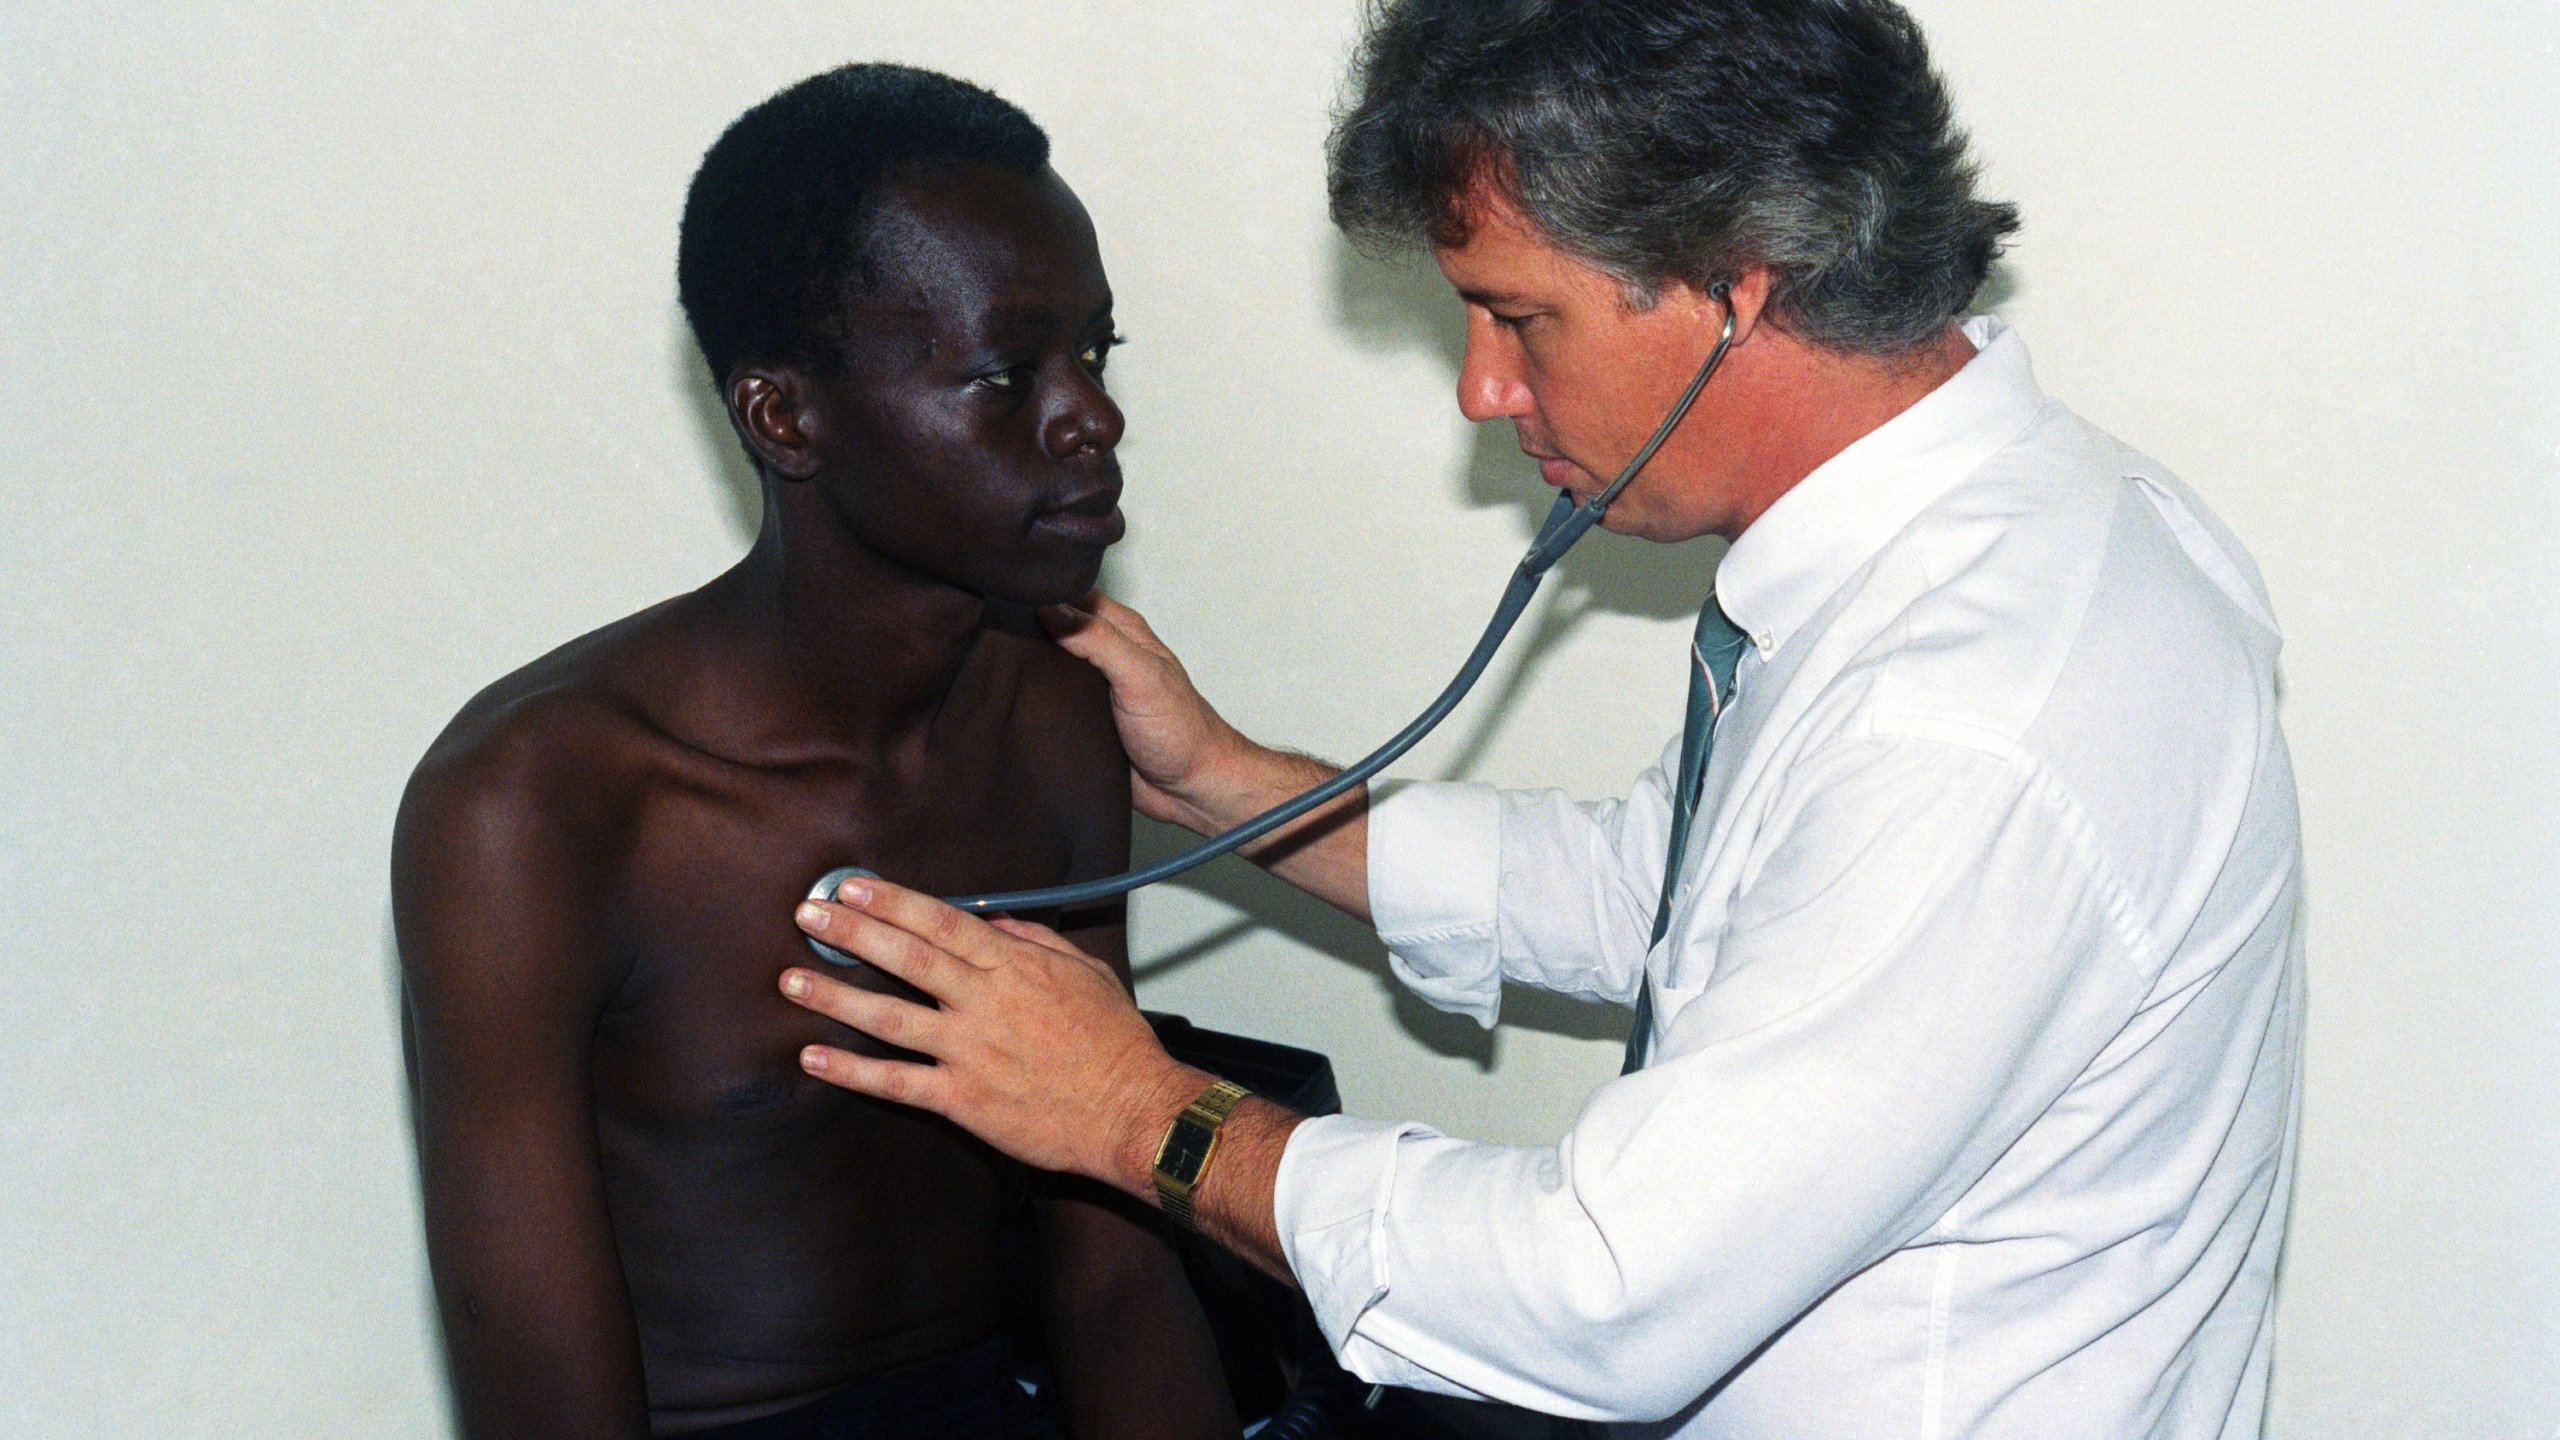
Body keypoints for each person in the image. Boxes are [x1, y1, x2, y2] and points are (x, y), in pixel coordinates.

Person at [775, 3, 2306, 1438]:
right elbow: (1673, 892)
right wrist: (1231, 786)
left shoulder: (1974, 717)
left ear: (1735, 285)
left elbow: (1605, 1291)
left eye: (1521, 319)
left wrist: (1140, 1113)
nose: (1483, 391)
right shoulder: (2026, 527)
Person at [392, 64, 1237, 1440]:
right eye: (1006, 370)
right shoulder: (540, 807)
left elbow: (1114, 1283)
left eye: (1098, 352)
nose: (1092, 416)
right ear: (786, 418)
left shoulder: (1054, 719)